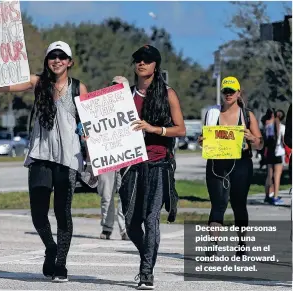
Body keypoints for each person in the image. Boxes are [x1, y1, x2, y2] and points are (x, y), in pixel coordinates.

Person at [0, 41, 88, 282]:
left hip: (68, 158)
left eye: (62, 56)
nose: (57, 60)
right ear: (47, 61)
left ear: (70, 62)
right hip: (40, 155)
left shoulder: (79, 88)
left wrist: (87, 134)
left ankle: (61, 264)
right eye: (52, 56)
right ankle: (50, 247)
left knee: (63, 212)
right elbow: (3, 88)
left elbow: (89, 121)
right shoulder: (37, 82)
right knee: (38, 213)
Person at [118, 45, 185, 290]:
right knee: (131, 223)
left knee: (151, 218)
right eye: (138, 60)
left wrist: (155, 129)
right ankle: (148, 251)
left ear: (156, 65)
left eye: (147, 60)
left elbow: (181, 129)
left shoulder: (168, 94)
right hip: (131, 166)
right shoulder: (126, 95)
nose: (142, 64)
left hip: (158, 164)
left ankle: (146, 272)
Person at [198, 76, 263, 258]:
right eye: (225, 91)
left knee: (238, 205)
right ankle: (212, 243)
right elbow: (205, 139)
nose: (228, 94)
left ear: (238, 93)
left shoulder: (247, 115)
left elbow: (260, 144)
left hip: (241, 164)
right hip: (217, 164)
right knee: (217, 205)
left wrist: (252, 138)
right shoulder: (212, 114)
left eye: (231, 91)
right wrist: (202, 142)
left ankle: (241, 244)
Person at [98, 76, 129, 241]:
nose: (116, 89)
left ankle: (125, 230)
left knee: (125, 194)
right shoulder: (101, 108)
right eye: (113, 86)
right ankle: (106, 227)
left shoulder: (132, 108)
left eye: (119, 86)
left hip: (126, 157)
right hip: (106, 156)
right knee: (106, 195)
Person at [263, 109, 285, 205]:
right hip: (278, 153)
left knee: (269, 175)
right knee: (277, 176)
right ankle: (275, 197)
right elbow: (284, 142)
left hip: (269, 153)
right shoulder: (282, 127)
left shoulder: (268, 126)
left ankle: (267, 196)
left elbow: (266, 140)